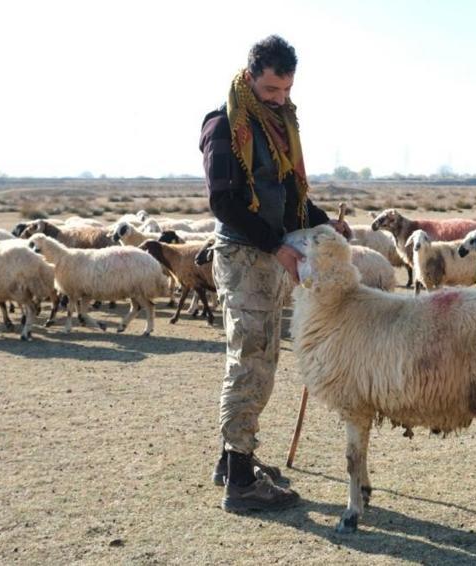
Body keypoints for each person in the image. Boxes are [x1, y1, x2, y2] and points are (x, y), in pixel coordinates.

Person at [199, 35, 350, 512]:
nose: (280, 99)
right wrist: (275, 246)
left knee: (257, 359)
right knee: (252, 362)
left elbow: (290, 196)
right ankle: (241, 482)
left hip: (268, 258)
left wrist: (324, 225)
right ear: (250, 77)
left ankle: (233, 460)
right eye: (270, 89)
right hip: (245, 257)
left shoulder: (278, 125)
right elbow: (223, 202)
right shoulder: (225, 124)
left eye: (286, 90)